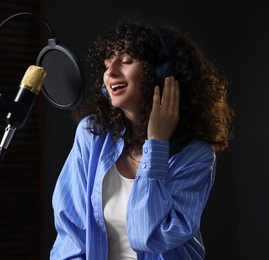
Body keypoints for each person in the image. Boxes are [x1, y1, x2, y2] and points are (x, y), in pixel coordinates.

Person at [50, 17, 234, 260]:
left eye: (126, 61)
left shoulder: (196, 155)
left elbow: (149, 237)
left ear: (161, 74)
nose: (111, 72)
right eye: (107, 63)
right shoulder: (91, 135)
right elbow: (70, 234)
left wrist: (156, 145)